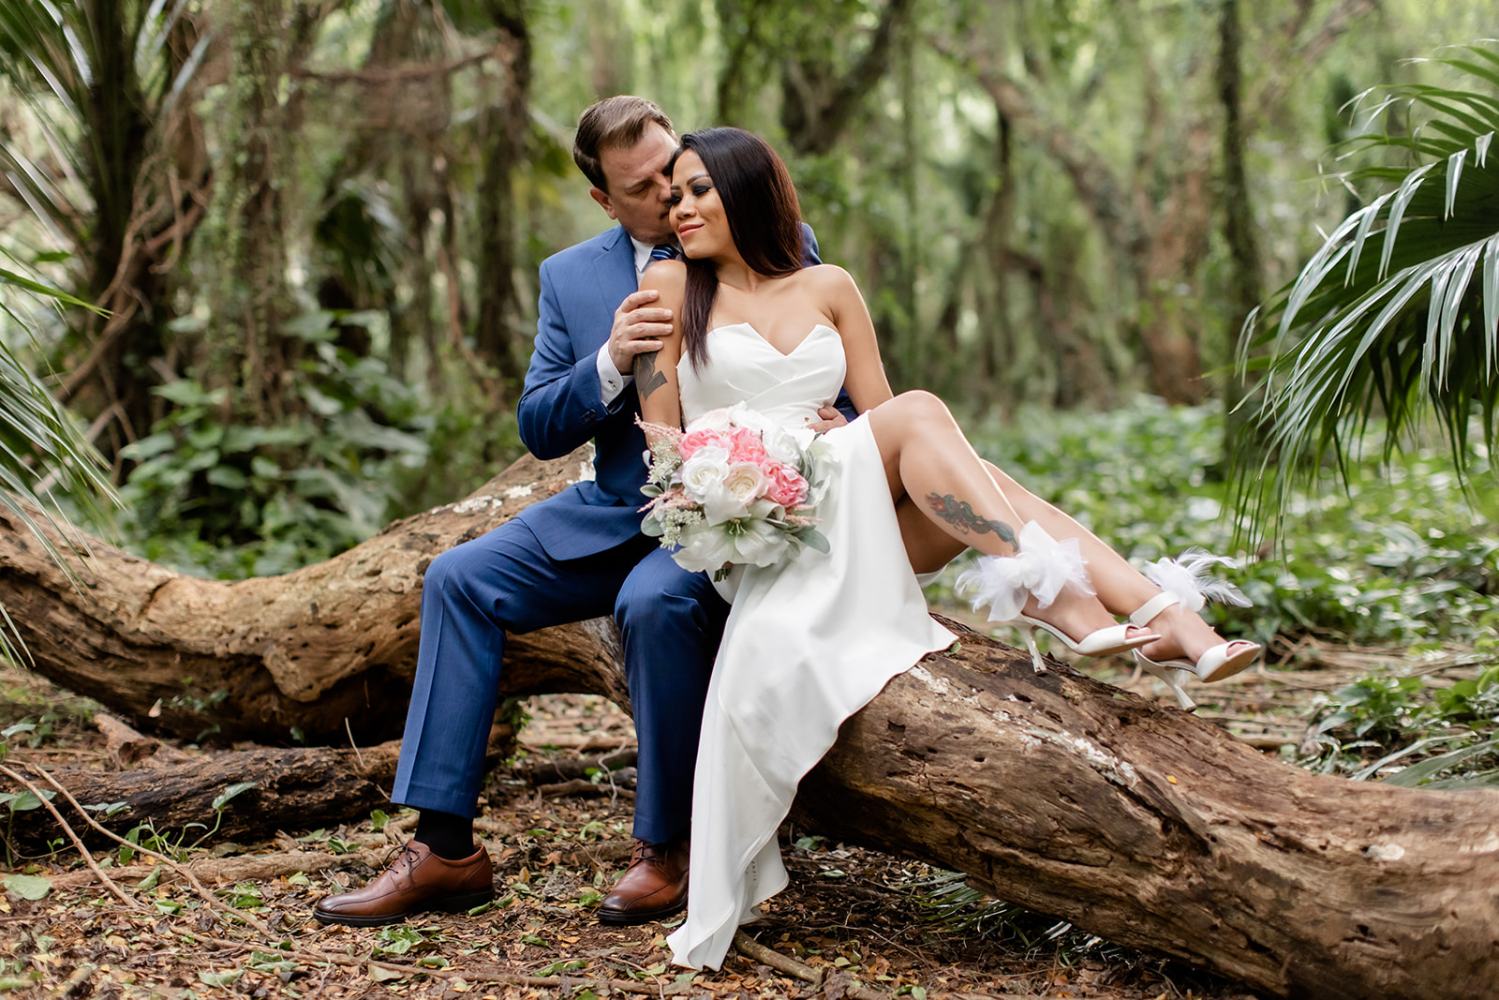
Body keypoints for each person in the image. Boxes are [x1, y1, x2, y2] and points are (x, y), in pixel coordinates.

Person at [632, 127, 1263, 970]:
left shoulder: (829, 284)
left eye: (698, 189)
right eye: (672, 196)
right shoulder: (670, 286)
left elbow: (890, 419)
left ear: (747, 191)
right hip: (758, 536)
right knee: (987, 473)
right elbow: (662, 447)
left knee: (953, 451)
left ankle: (1131, 615)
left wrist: (844, 432)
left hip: (855, 504)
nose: (679, 209)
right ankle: (1155, 614)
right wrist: (731, 480)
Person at [312, 97, 842, 928]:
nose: (672, 194)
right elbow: (538, 423)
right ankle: (444, 848)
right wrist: (607, 360)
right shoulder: (571, 275)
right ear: (602, 199)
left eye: (674, 168)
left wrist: (837, 422)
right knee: (457, 578)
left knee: (652, 602)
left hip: (735, 515)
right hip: (612, 510)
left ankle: (666, 846)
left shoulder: (762, 235)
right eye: (643, 187)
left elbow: (826, 370)